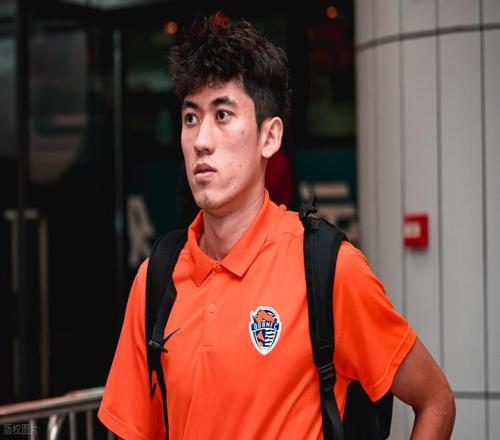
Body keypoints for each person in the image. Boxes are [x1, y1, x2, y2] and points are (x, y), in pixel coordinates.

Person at [98, 13, 455, 439]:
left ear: (269, 137)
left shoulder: (326, 268)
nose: (201, 141)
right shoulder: (156, 280)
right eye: (191, 118)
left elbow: (435, 400)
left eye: (223, 114)